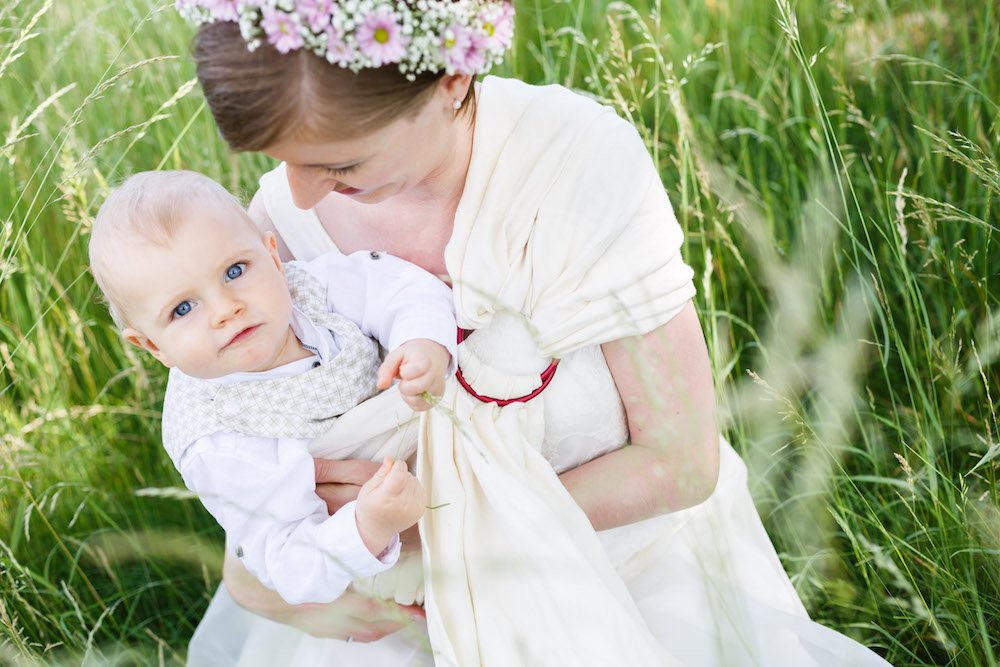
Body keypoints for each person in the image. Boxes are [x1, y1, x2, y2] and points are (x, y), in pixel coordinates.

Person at [174, 0, 894, 664]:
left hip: (612, 561)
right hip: (397, 592)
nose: (293, 193)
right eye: (278, 159)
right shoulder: (266, 245)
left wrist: (450, 533)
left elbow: (681, 459)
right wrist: (299, 567)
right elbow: (238, 464)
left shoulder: (580, 171)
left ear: (453, 78)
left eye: (343, 163)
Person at [88, 170, 456, 608]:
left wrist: (421, 340)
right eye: (183, 308)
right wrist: (368, 525)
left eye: (235, 270)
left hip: (437, 436)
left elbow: (399, 287)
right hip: (380, 554)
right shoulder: (216, 436)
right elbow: (285, 556)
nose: (226, 309)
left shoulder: (306, 287)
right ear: (151, 346)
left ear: (273, 257)